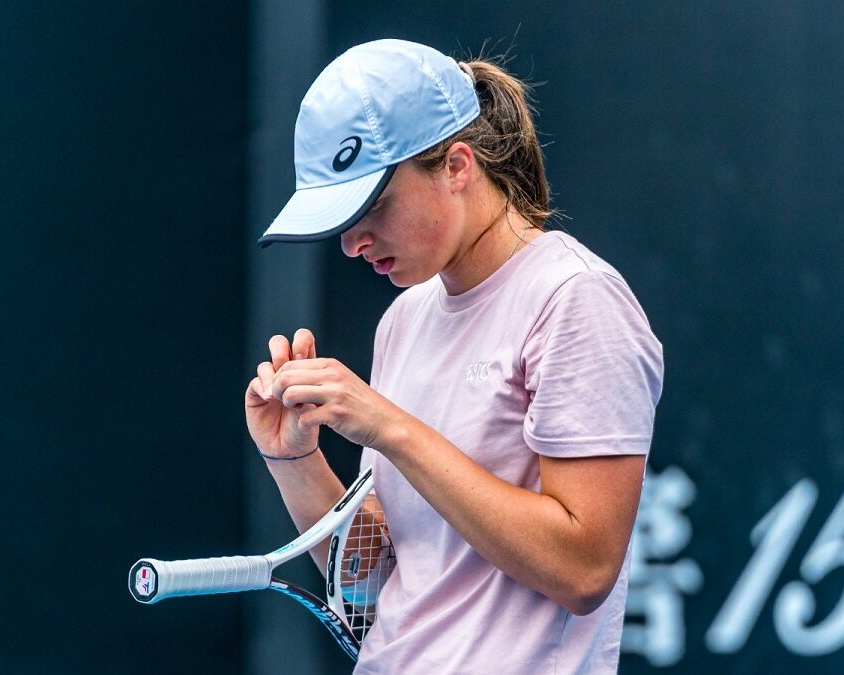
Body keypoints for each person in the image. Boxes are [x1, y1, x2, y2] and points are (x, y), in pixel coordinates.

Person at [244, 38, 663, 673]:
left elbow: (583, 570)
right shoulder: (403, 319)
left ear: (457, 167)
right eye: (341, 221)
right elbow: (375, 583)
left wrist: (390, 427)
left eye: (372, 207)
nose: (353, 243)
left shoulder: (575, 297)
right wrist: (294, 458)